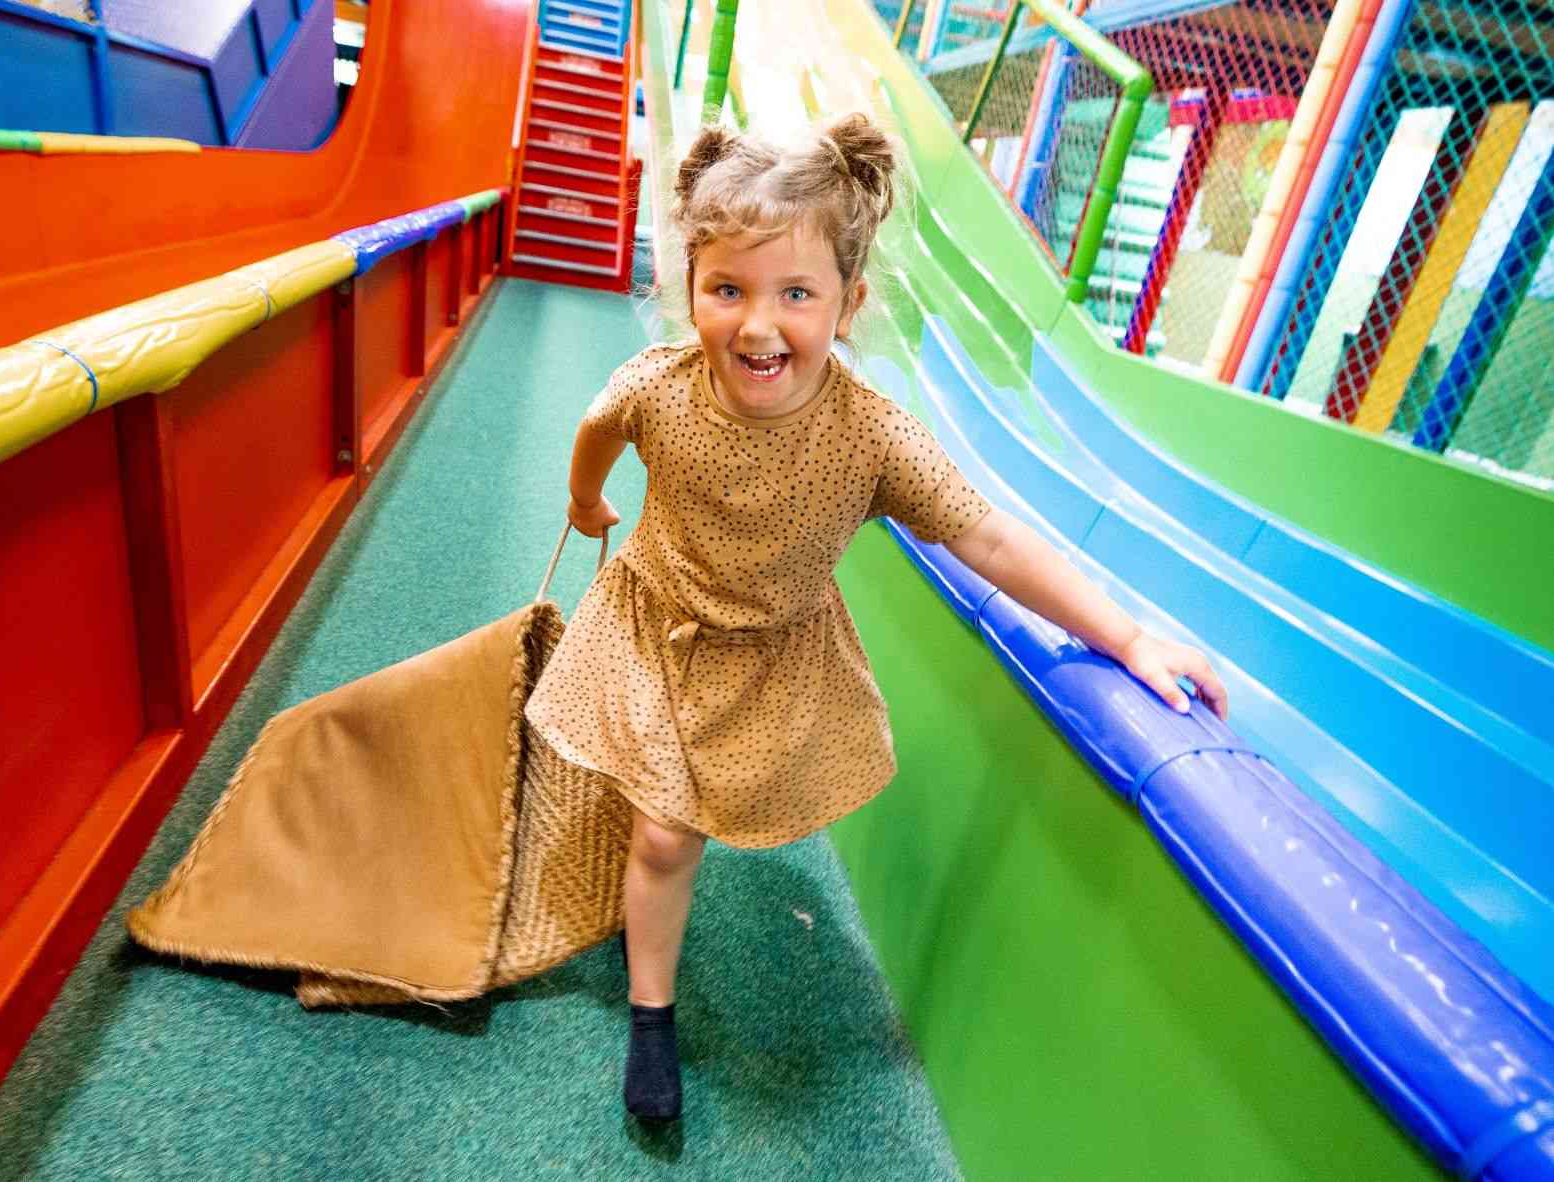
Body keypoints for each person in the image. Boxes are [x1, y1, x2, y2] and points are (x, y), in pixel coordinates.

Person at [522, 113, 1229, 1124]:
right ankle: (651, 1011)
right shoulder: (661, 388)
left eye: (795, 294)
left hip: (767, 656)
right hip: (656, 622)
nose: (758, 327)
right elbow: (600, 426)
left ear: (848, 304)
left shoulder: (872, 438)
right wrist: (584, 504)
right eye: (727, 290)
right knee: (668, 838)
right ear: (693, 288)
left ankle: (649, 887)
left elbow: (985, 538)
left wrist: (1124, 635)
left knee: (694, 812)